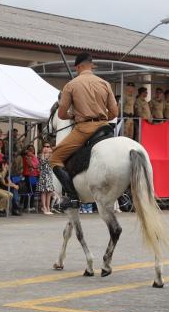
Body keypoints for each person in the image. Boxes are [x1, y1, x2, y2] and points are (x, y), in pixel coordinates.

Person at [49, 52, 119, 209]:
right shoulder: (105, 83)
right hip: (104, 127)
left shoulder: (71, 85)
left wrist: (73, 115)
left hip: (84, 129)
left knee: (54, 158)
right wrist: (100, 117)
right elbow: (114, 113)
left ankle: (72, 197)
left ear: (78, 66)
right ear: (91, 65)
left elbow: (61, 114)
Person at [36, 144, 55, 214]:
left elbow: (52, 163)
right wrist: (44, 154)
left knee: (49, 191)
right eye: (45, 146)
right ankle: (44, 207)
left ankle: (48, 207)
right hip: (43, 175)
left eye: (48, 147)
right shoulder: (41, 155)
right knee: (44, 191)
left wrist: (50, 153)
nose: (47, 148)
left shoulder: (51, 155)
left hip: (49, 175)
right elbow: (42, 163)